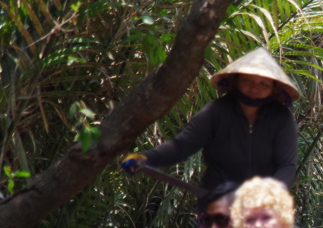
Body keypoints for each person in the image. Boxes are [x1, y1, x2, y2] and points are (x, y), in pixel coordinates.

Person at [120, 47, 300, 191]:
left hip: (262, 211)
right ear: (236, 81)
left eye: (264, 84)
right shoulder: (216, 111)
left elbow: (286, 165)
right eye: (247, 81)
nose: (254, 88)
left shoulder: (281, 118)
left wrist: (270, 196)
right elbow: (181, 146)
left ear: (273, 89)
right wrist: (145, 157)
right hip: (218, 205)